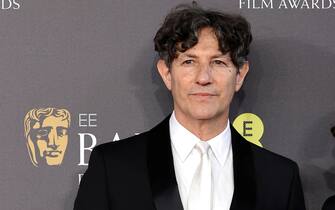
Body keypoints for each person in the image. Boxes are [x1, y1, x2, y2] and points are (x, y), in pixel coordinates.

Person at [74, 3, 306, 210]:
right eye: (188, 61)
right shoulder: (113, 168)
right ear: (166, 73)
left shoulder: (279, 178)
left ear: (239, 75)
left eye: (218, 62)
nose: (203, 77)